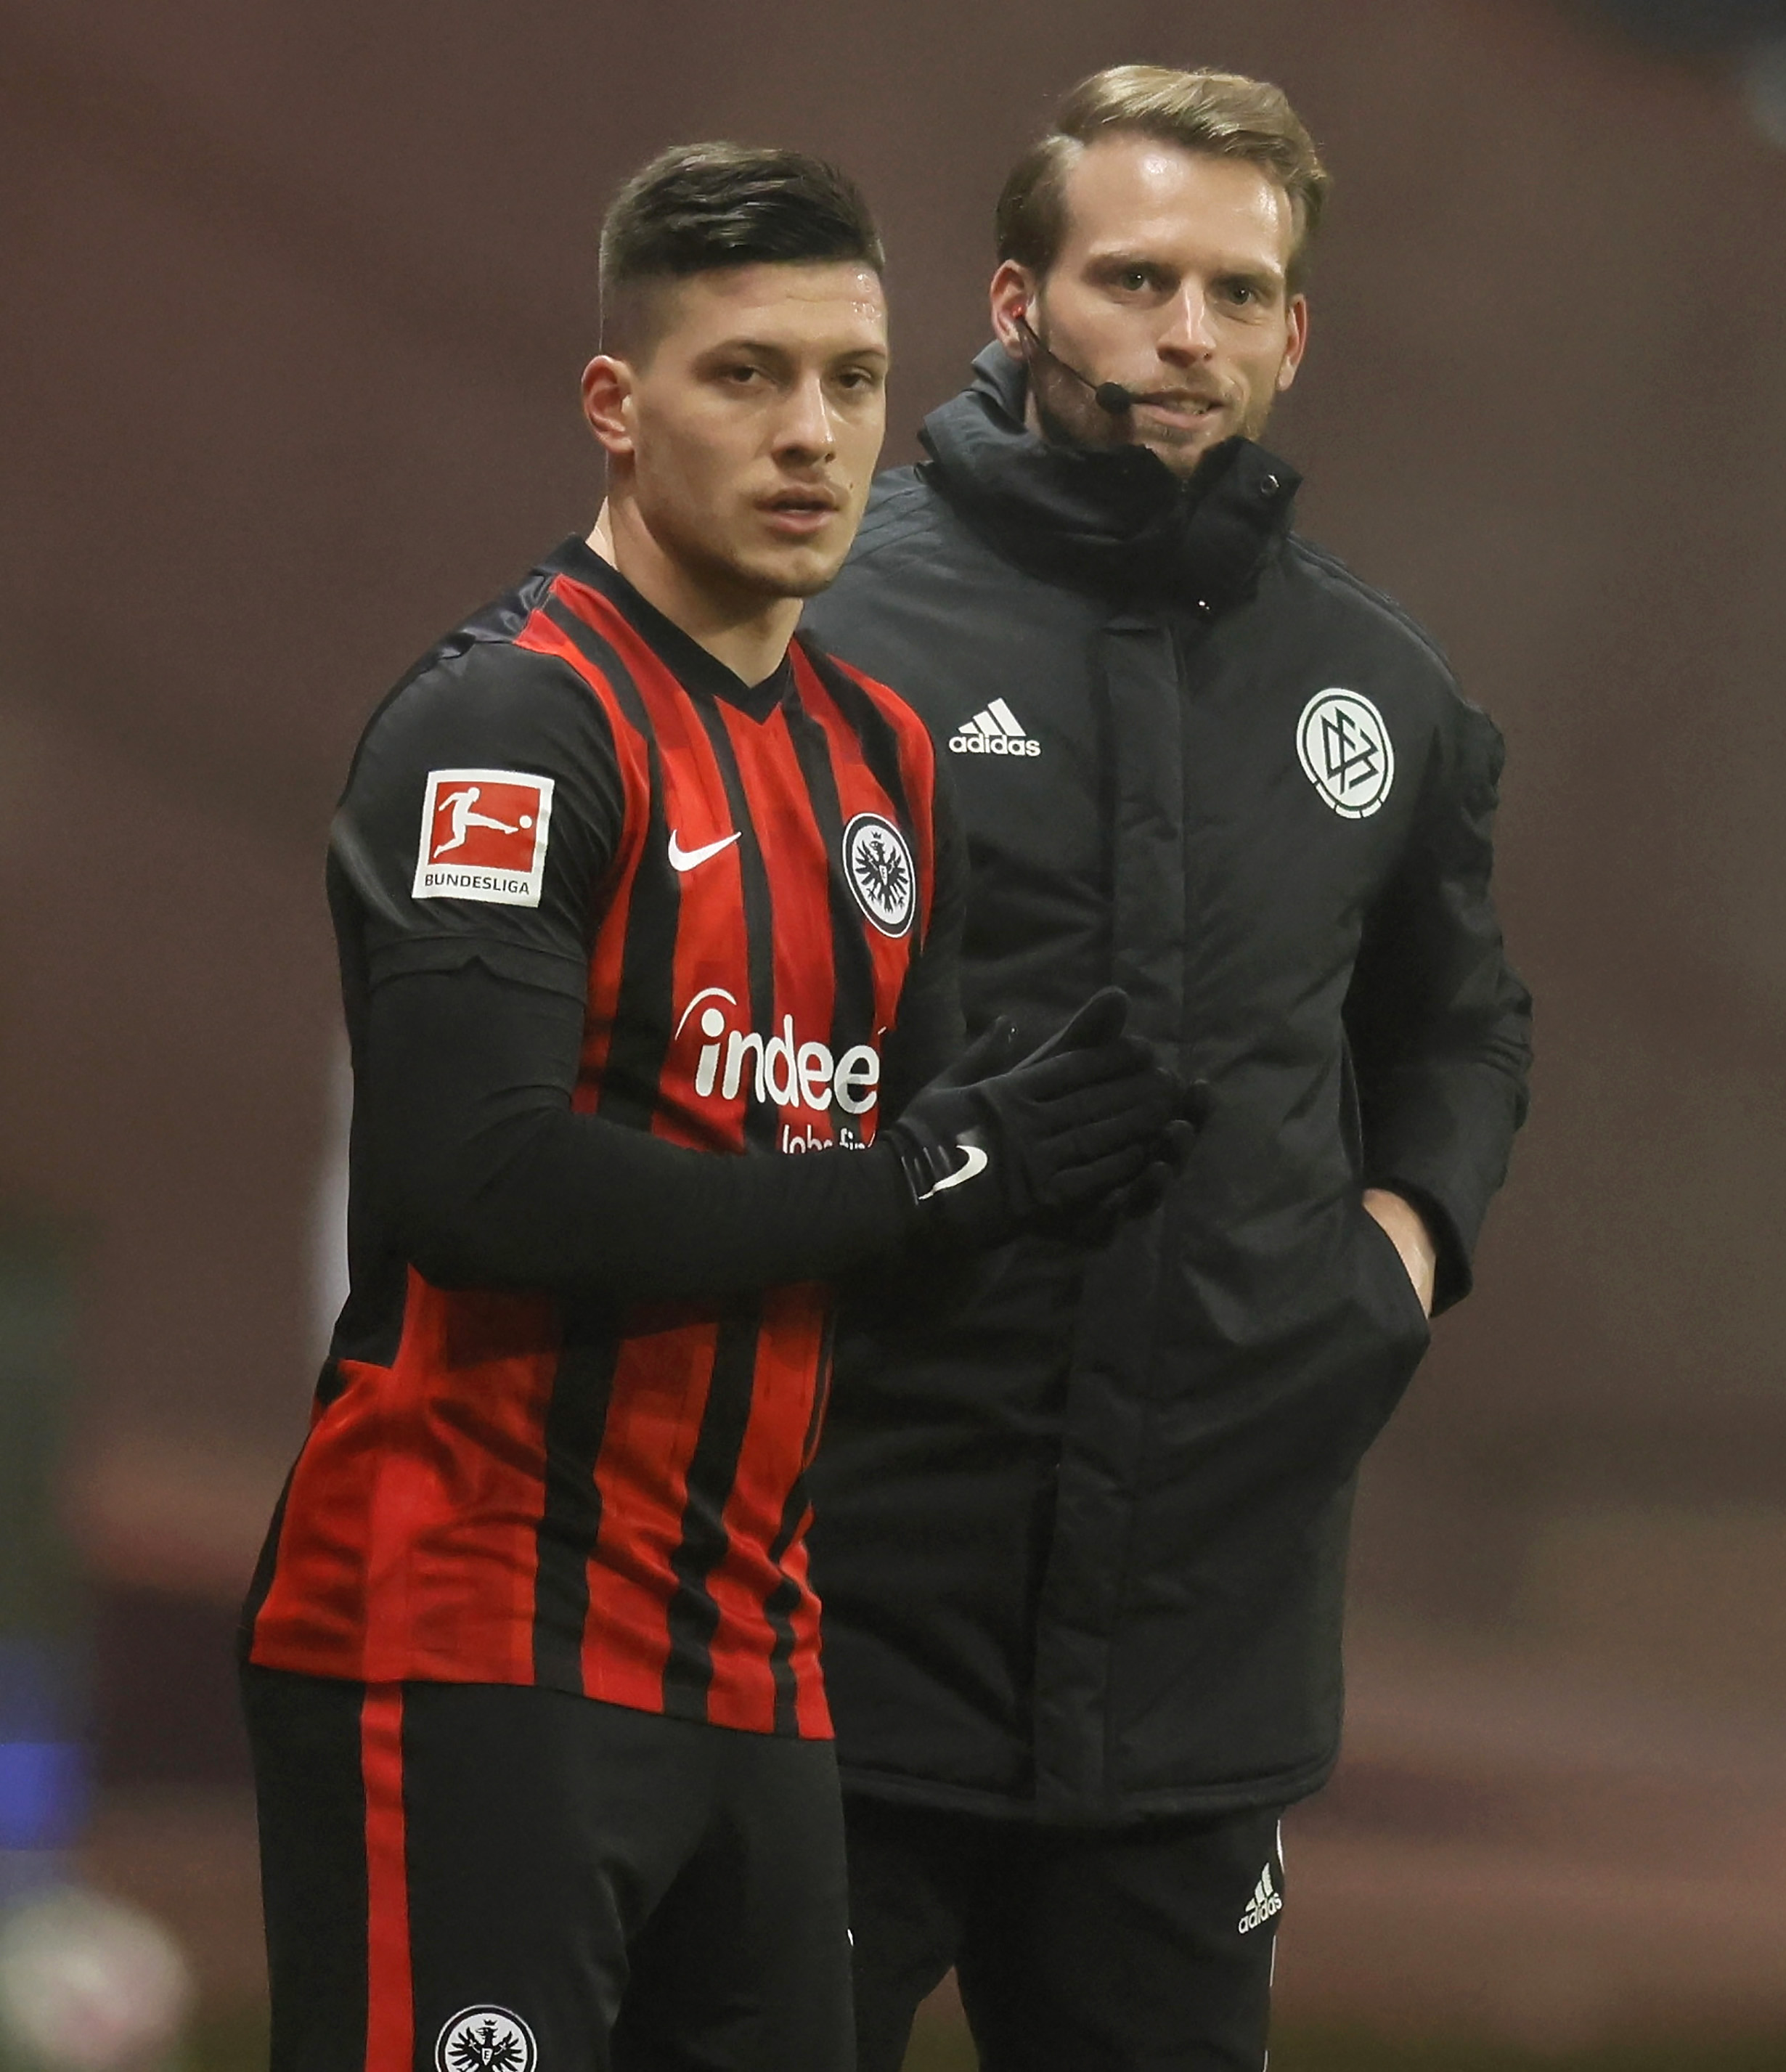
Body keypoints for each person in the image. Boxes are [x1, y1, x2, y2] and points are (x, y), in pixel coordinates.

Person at [240, 144, 1194, 2071]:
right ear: (615, 405)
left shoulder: (878, 766)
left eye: (851, 380)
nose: (813, 435)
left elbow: (870, 1226)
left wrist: (1011, 1193)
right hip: (468, 1637)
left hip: (755, 1665)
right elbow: (471, 1181)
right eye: (744, 375)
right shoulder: (515, 722)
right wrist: (936, 1175)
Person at [798, 64, 1533, 2071]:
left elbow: (1457, 1020)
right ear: (1016, 298)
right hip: (831, 1617)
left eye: (1234, 292)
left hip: (1200, 1644)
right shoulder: (820, 621)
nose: (1184, 336)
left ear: (1295, 330)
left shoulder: (1378, 689)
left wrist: (1397, 1249)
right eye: (1133, 278)